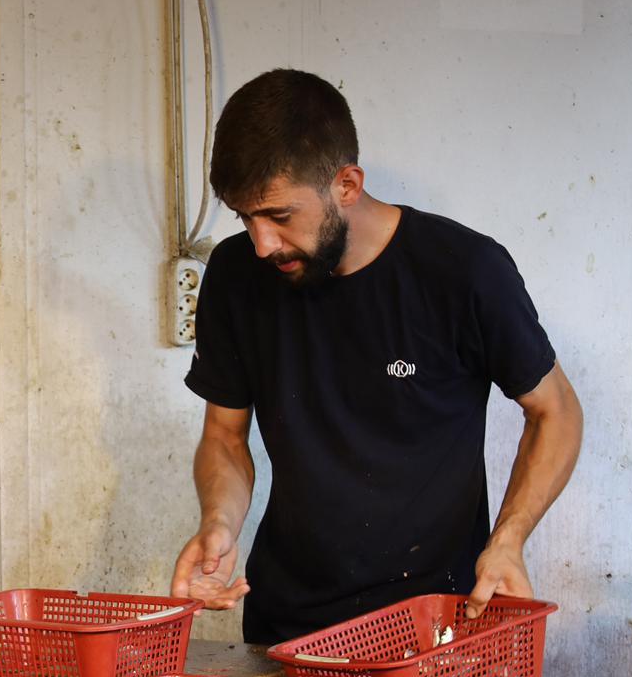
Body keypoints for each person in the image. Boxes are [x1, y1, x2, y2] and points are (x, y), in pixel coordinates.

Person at [170, 69, 583, 643]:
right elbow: (224, 437)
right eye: (245, 218)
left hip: (434, 627)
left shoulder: (463, 271)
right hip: (290, 628)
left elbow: (556, 411)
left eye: (281, 217)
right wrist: (218, 522)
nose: (262, 244)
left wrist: (508, 538)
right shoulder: (238, 276)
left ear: (347, 184)